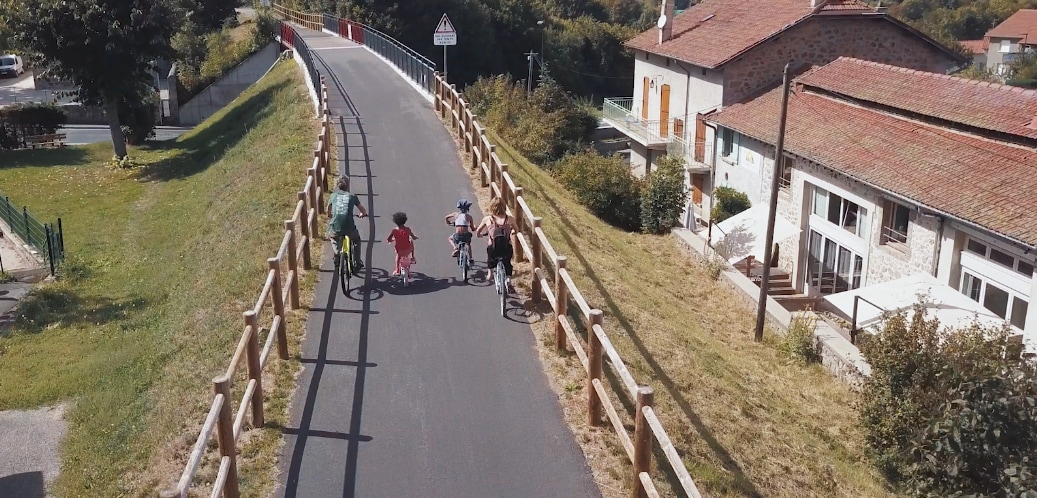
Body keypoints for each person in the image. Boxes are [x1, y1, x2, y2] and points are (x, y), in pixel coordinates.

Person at [327, 176, 368, 270]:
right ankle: (358, 262)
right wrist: (362, 214)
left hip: (336, 226)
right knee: (357, 240)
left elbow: (328, 209)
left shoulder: (333, 196)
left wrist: (330, 215)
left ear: (338, 185)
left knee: (333, 238)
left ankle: (338, 252)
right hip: (349, 227)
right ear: (348, 185)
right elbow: (363, 210)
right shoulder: (352, 196)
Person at [475, 197, 515, 289]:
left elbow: (478, 230)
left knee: (491, 259)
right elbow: (516, 229)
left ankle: (490, 274)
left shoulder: (488, 219)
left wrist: (479, 235)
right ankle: (508, 278)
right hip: (506, 247)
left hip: (493, 248)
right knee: (507, 262)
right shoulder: (509, 219)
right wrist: (513, 231)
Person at [386, 211, 418, 276]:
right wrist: (415, 237)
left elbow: (388, 239)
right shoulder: (408, 229)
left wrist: (391, 240)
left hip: (400, 251)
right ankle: (412, 257)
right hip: (408, 249)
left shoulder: (394, 231)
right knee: (411, 241)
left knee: (398, 257)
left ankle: (397, 269)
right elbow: (413, 236)